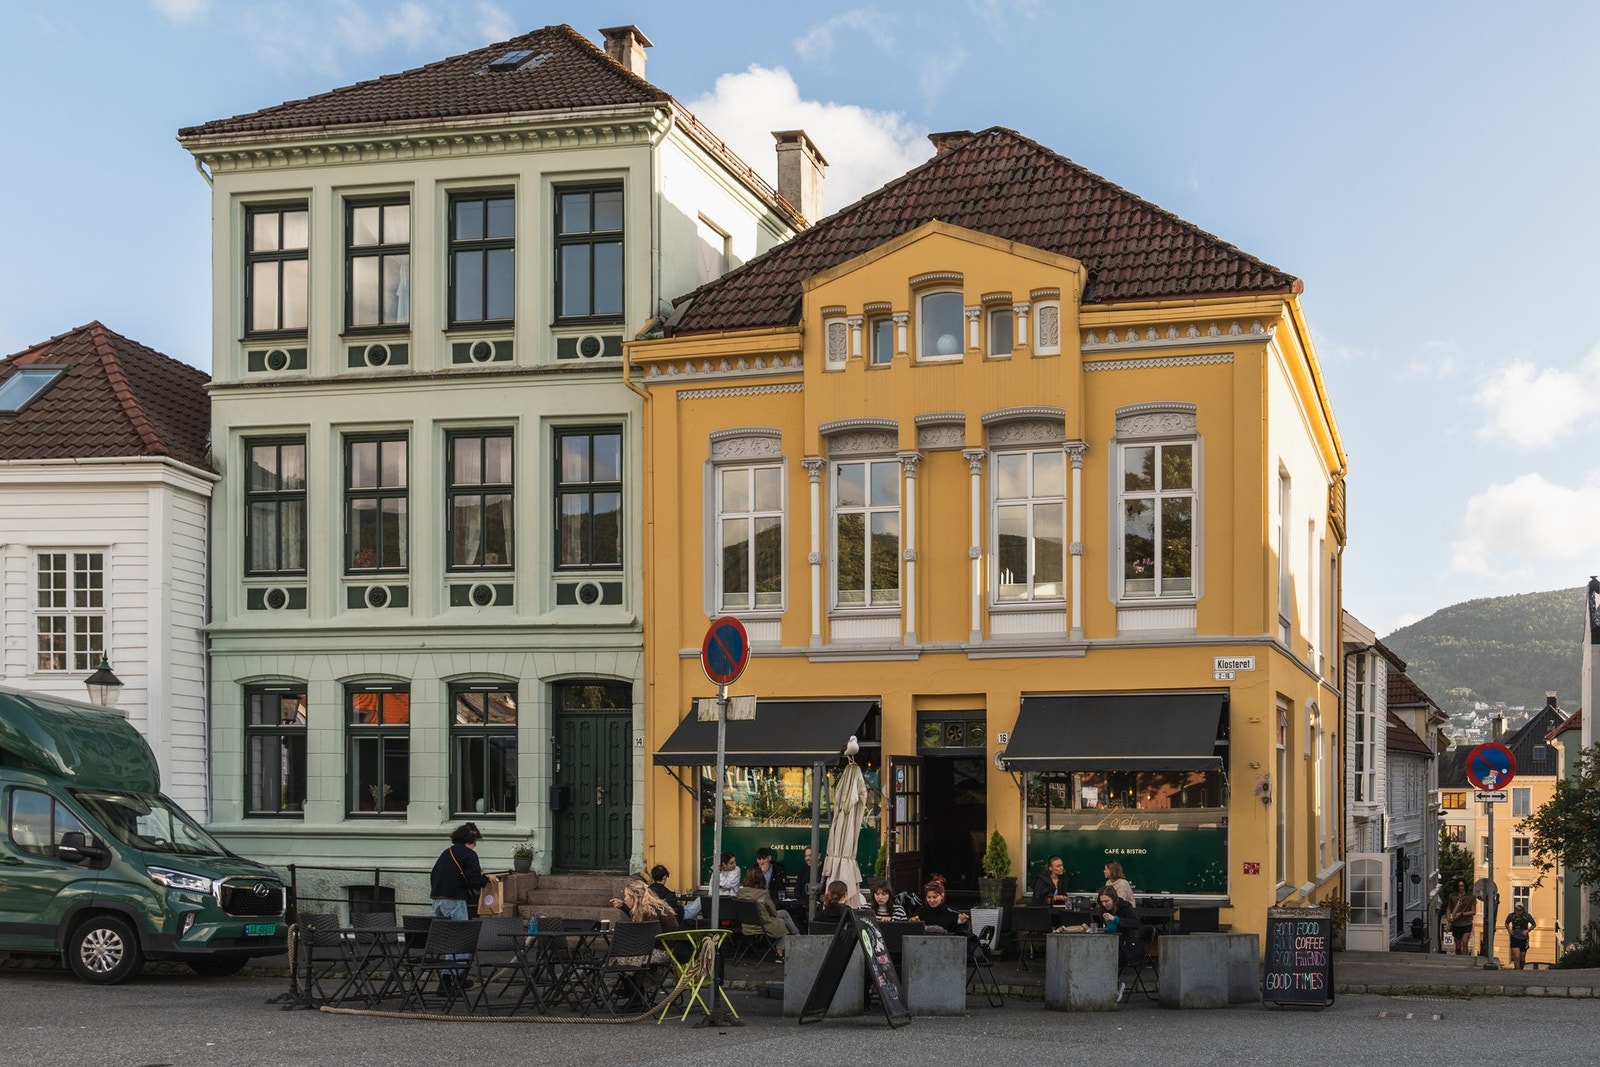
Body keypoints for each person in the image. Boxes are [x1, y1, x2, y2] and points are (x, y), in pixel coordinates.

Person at [429, 822, 496, 990]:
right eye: (476, 841)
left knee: (448, 940)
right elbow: (473, 879)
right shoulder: (469, 854)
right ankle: (456, 978)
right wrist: (486, 879)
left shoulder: (447, 852)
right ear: (472, 839)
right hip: (454, 899)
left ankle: (446, 979)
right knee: (460, 939)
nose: (476, 845)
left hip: (437, 899)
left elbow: (434, 873)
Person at [735, 866, 796, 959]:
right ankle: (780, 953)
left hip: (746, 926)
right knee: (782, 923)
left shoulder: (740, 893)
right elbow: (774, 913)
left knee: (783, 913)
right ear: (761, 878)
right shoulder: (763, 894)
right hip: (763, 925)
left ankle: (797, 935)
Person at [610, 878, 681, 934]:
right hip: (666, 945)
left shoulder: (648, 910)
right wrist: (623, 906)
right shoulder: (649, 906)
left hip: (661, 949)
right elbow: (637, 915)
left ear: (634, 897)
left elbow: (654, 934)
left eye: (625, 896)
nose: (624, 899)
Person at [1445, 879, 1475, 956]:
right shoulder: (1452, 896)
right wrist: (1448, 917)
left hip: (1467, 923)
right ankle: (1458, 957)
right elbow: (1449, 908)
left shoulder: (1470, 897)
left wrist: (1462, 914)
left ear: (1465, 886)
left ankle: (1464, 959)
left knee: (1465, 942)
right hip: (1456, 924)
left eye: (1462, 886)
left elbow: (1473, 911)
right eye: (1459, 886)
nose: (1461, 887)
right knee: (1458, 946)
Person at [1504, 902, 1536, 969]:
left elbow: (1534, 924)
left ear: (1523, 909)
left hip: (1524, 938)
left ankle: (1521, 969)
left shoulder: (1527, 916)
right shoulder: (1511, 916)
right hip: (1514, 937)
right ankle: (1517, 971)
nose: (1519, 912)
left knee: (1522, 958)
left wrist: (1528, 930)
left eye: (1520, 910)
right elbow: (1506, 923)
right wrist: (1509, 930)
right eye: (1517, 910)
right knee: (1517, 956)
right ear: (1515, 910)